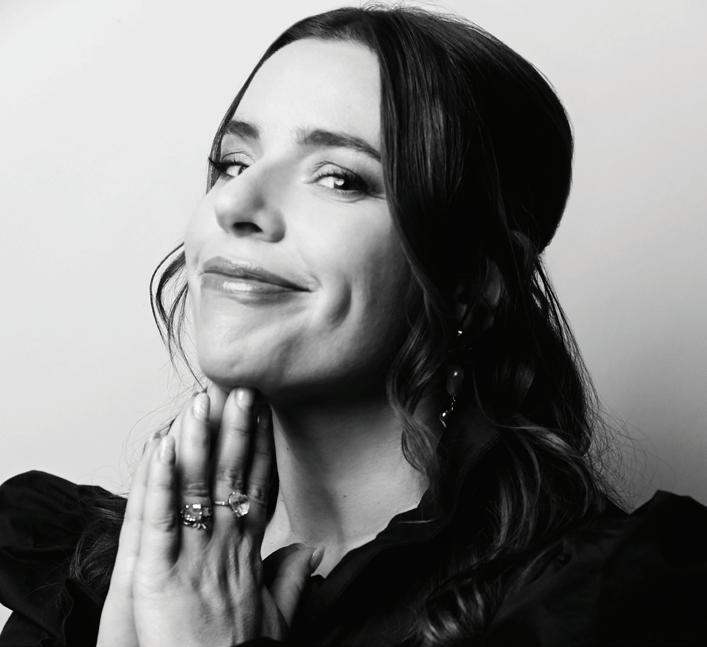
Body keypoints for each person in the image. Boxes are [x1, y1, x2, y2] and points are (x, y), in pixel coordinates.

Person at [1, 5, 705, 647]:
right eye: (232, 163)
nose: (235, 204)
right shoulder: (92, 579)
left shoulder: (597, 607)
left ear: (471, 281)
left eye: (338, 177)